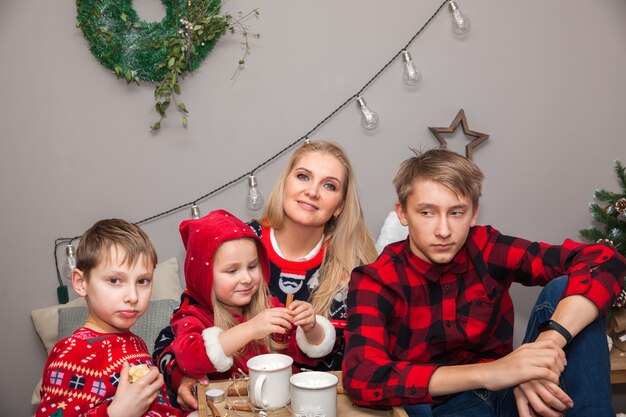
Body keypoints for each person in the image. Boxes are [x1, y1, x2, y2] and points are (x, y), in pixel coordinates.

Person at [342, 148, 626, 417]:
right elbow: (362, 375)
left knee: (567, 286)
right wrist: (494, 372)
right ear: (403, 213)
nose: (443, 230)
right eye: (427, 212)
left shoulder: (487, 247)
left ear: (474, 213)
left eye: (456, 212)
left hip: (509, 395)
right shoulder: (376, 279)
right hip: (438, 407)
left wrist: (544, 349)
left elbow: (604, 259)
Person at [154, 140, 377, 411]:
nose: (312, 191)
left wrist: (312, 329)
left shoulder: (354, 267)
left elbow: (360, 358)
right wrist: (180, 377)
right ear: (285, 183)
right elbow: (173, 338)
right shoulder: (240, 243)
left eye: (329, 185)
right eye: (303, 176)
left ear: (340, 205)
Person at [165, 209, 335, 385]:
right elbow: (190, 359)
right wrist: (252, 328)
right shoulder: (192, 316)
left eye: (253, 266)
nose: (247, 279)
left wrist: (311, 327)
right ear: (203, 276)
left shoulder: (268, 306)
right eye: (232, 270)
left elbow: (305, 353)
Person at [36, 219, 183, 417]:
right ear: (81, 283)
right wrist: (116, 414)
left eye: (142, 281)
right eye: (115, 280)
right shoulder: (74, 353)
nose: (133, 296)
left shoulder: (134, 343)